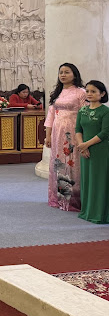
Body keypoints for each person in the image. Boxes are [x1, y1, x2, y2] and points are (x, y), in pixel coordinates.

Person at [44, 63, 86, 211]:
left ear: (74, 74)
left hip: (73, 133)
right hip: (57, 134)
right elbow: (50, 115)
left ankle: (74, 199)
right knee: (58, 163)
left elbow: (84, 114)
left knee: (72, 163)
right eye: (61, 72)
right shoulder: (58, 92)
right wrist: (48, 136)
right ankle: (60, 198)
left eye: (67, 72)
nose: (63, 75)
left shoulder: (81, 92)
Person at [75, 80, 109, 224]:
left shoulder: (105, 111)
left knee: (99, 180)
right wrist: (81, 145)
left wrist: (86, 145)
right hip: (85, 150)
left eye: (93, 91)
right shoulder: (82, 110)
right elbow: (78, 130)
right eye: (87, 91)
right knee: (87, 180)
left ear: (102, 94)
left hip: (101, 150)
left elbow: (105, 133)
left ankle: (100, 214)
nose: (89, 94)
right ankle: (87, 211)